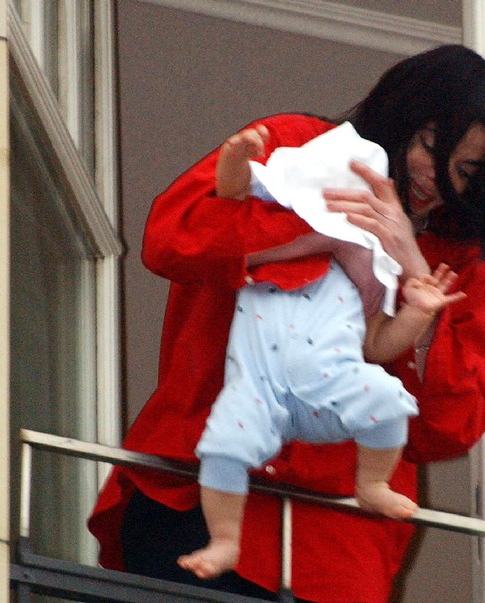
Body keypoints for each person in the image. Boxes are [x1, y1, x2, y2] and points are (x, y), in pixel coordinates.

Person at [88, 44, 485, 603]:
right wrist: (316, 234)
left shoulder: (459, 262)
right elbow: (171, 239)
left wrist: (411, 267)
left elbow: (449, 426)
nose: (439, 179)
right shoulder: (298, 145)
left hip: (335, 546)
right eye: (430, 146)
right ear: (401, 114)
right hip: (198, 492)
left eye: (466, 170)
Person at [177, 122, 466, 580]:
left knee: (388, 399)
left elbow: (377, 345)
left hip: (328, 391)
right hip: (257, 390)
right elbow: (232, 191)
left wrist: (417, 314)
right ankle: (226, 539)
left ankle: (371, 482)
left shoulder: (368, 272)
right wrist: (237, 156)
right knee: (224, 448)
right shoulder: (271, 245)